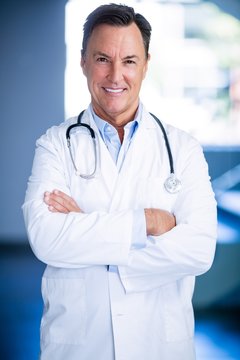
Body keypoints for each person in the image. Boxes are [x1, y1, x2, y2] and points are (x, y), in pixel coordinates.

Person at [22, 3, 217, 360]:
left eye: (129, 60)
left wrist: (86, 233)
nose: (115, 76)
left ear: (145, 65)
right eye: (102, 59)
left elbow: (200, 250)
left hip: (159, 345)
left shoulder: (183, 149)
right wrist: (148, 223)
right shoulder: (55, 144)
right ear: (83, 61)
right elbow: (47, 238)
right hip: (80, 347)